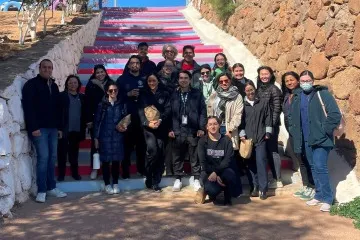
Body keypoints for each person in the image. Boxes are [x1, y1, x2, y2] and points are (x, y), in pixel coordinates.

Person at [288, 70, 341, 212]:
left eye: (308, 80)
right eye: (303, 81)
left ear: (312, 81)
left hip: (322, 139)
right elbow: (292, 117)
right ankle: (318, 195)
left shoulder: (322, 94)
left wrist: (324, 130)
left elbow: (335, 115)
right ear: (300, 82)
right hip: (305, 139)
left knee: (320, 166)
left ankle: (328, 198)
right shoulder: (298, 96)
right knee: (312, 167)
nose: (305, 83)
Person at [22, 59, 67, 203]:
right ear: (39, 68)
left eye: (50, 68)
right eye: (45, 67)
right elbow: (28, 108)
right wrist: (33, 127)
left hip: (53, 128)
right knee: (43, 158)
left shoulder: (53, 86)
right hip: (39, 129)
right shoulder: (31, 85)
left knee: (52, 158)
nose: (47, 70)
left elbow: (57, 108)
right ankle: (41, 190)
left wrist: (59, 127)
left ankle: (51, 188)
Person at [169, 70, 207, 192]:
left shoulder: (197, 94)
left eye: (186, 78)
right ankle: (178, 179)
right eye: (181, 78)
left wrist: (201, 128)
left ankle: (196, 179)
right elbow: (168, 113)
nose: (183, 80)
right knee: (177, 156)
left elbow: (203, 112)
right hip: (177, 129)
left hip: (193, 129)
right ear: (178, 80)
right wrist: (170, 129)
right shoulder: (173, 94)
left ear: (190, 80)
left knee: (194, 155)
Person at [282, 71, 315, 201]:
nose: (289, 82)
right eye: (286, 81)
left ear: (298, 80)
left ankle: (313, 186)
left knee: (308, 159)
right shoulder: (287, 96)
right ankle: (306, 185)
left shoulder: (303, 94)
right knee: (300, 160)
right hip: (293, 133)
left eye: (292, 80)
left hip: (303, 133)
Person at [138, 74, 171, 192]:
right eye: (149, 81)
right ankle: (149, 176)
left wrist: (160, 120)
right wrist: (147, 123)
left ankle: (156, 180)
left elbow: (168, 109)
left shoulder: (165, 94)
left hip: (161, 126)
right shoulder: (143, 94)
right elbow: (140, 111)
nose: (152, 83)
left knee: (161, 151)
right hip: (148, 128)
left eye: (154, 80)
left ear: (158, 81)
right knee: (152, 150)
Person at [240, 81, 272, 200]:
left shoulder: (263, 102)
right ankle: (254, 186)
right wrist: (242, 134)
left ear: (255, 89)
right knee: (250, 164)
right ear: (245, 91)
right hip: (247, 140)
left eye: (252, 89)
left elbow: (268, 117)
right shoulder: (242, 104)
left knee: (261, 162)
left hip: (261, 138)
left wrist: (268, 132)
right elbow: (240, 122)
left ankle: (263, 189)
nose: (250, 92)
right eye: (248, 90)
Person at [94, 83, 127, 195]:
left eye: (115, 90)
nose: (113, 92)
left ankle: (116, 183)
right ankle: (107, 183)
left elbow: (126, 119)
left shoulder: (122, 104)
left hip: (118, 136)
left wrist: (124, 126)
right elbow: (97, 122)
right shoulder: (102, 105)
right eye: (111, 90)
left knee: (116, 160)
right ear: (107, 92)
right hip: (105, 136)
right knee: (106, 161)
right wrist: (96, 137)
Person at [116, 55, 147, 179]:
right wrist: (127, 94)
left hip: (142, 117)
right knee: (126, 146)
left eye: (137, 63)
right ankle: (125, 171)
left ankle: (141, 169)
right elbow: (116, 97)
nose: (135, 65)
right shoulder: (122, 79)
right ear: (128, 65)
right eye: (132, 63)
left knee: (142, 145)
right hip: (127, 117)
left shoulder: (145, 78)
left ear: (140, 65)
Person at [195, 116, 237, 206]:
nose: (213, 127)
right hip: (208, 172)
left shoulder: (226, 141)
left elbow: (227, 161)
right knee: (212, 190)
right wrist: (213, 173)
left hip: (223, 171)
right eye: (210, 124)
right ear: (207, 127)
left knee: (230, 175)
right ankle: (208, 191)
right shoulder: (202, 142)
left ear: (219, 126)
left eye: (215, 124)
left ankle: (227, 197)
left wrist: (217, 173)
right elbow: (203, 162)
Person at [256, 66, 283, 188]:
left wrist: (270, 126)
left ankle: (277, 178)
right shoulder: (259, 88)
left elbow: (277, 109)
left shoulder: (274, 89)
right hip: (261, 125)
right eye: (262, 74)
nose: (264, 76)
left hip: (271, 125)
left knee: (272, 150)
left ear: (271, 75)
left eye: (266, 74)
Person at [85, 64, 113, 180]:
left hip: (109, 118)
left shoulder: (111, 84)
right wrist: (88, 120)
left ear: (105, 72)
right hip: (95, 119)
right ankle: (95, 168)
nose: (100, 74)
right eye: (98, 72)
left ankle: (109, 168)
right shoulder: (90, 85)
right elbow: (87, 103)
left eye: (102, 72)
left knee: (109, 144)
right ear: (94, 74)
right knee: (95, 145)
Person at [57, 75, 86, 181]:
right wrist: (59, 128)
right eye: (70, 82)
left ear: (78, 84)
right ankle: (61, 175)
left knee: (74, 154)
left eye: (75, 82)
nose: (73, 84)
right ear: (67, 84)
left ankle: (75, 173)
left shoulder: (82, 97)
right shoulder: (61, 96)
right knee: (62, 153)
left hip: (77, 130)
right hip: (64, 130)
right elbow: (58, 114)